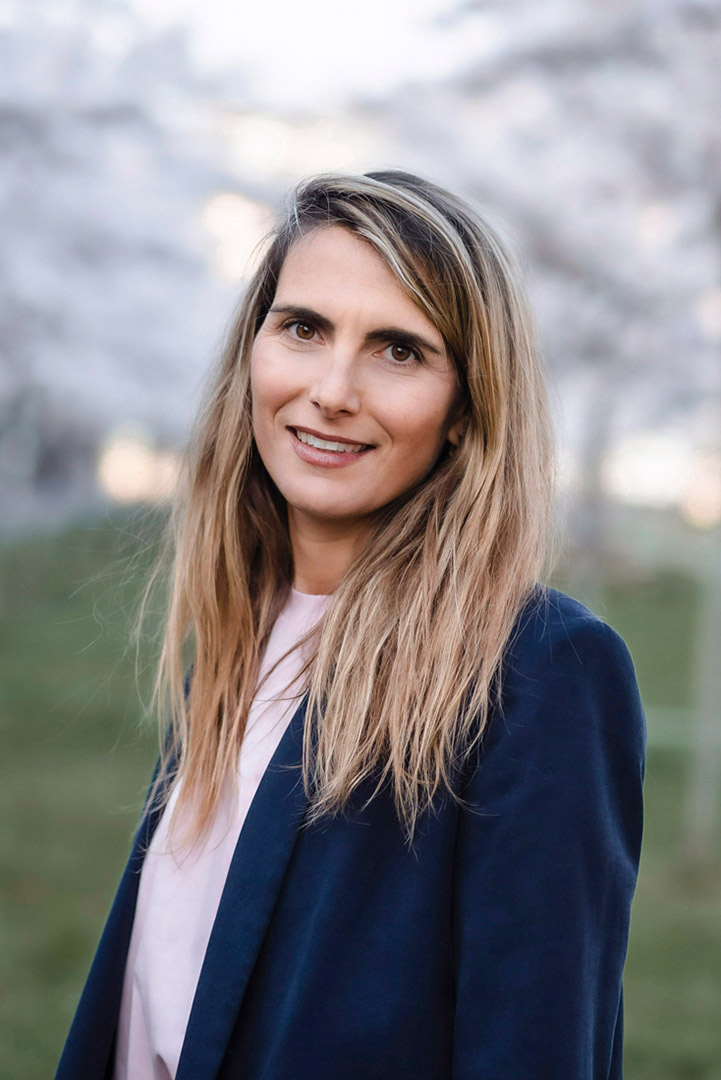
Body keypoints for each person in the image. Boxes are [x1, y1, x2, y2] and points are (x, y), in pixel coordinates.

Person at [55, 170, 646, 1080]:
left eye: (398, 350)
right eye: (303, 328)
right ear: (252, 353)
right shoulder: (239, 638)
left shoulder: (540, 673)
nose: (332, 390)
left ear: (467, 409)